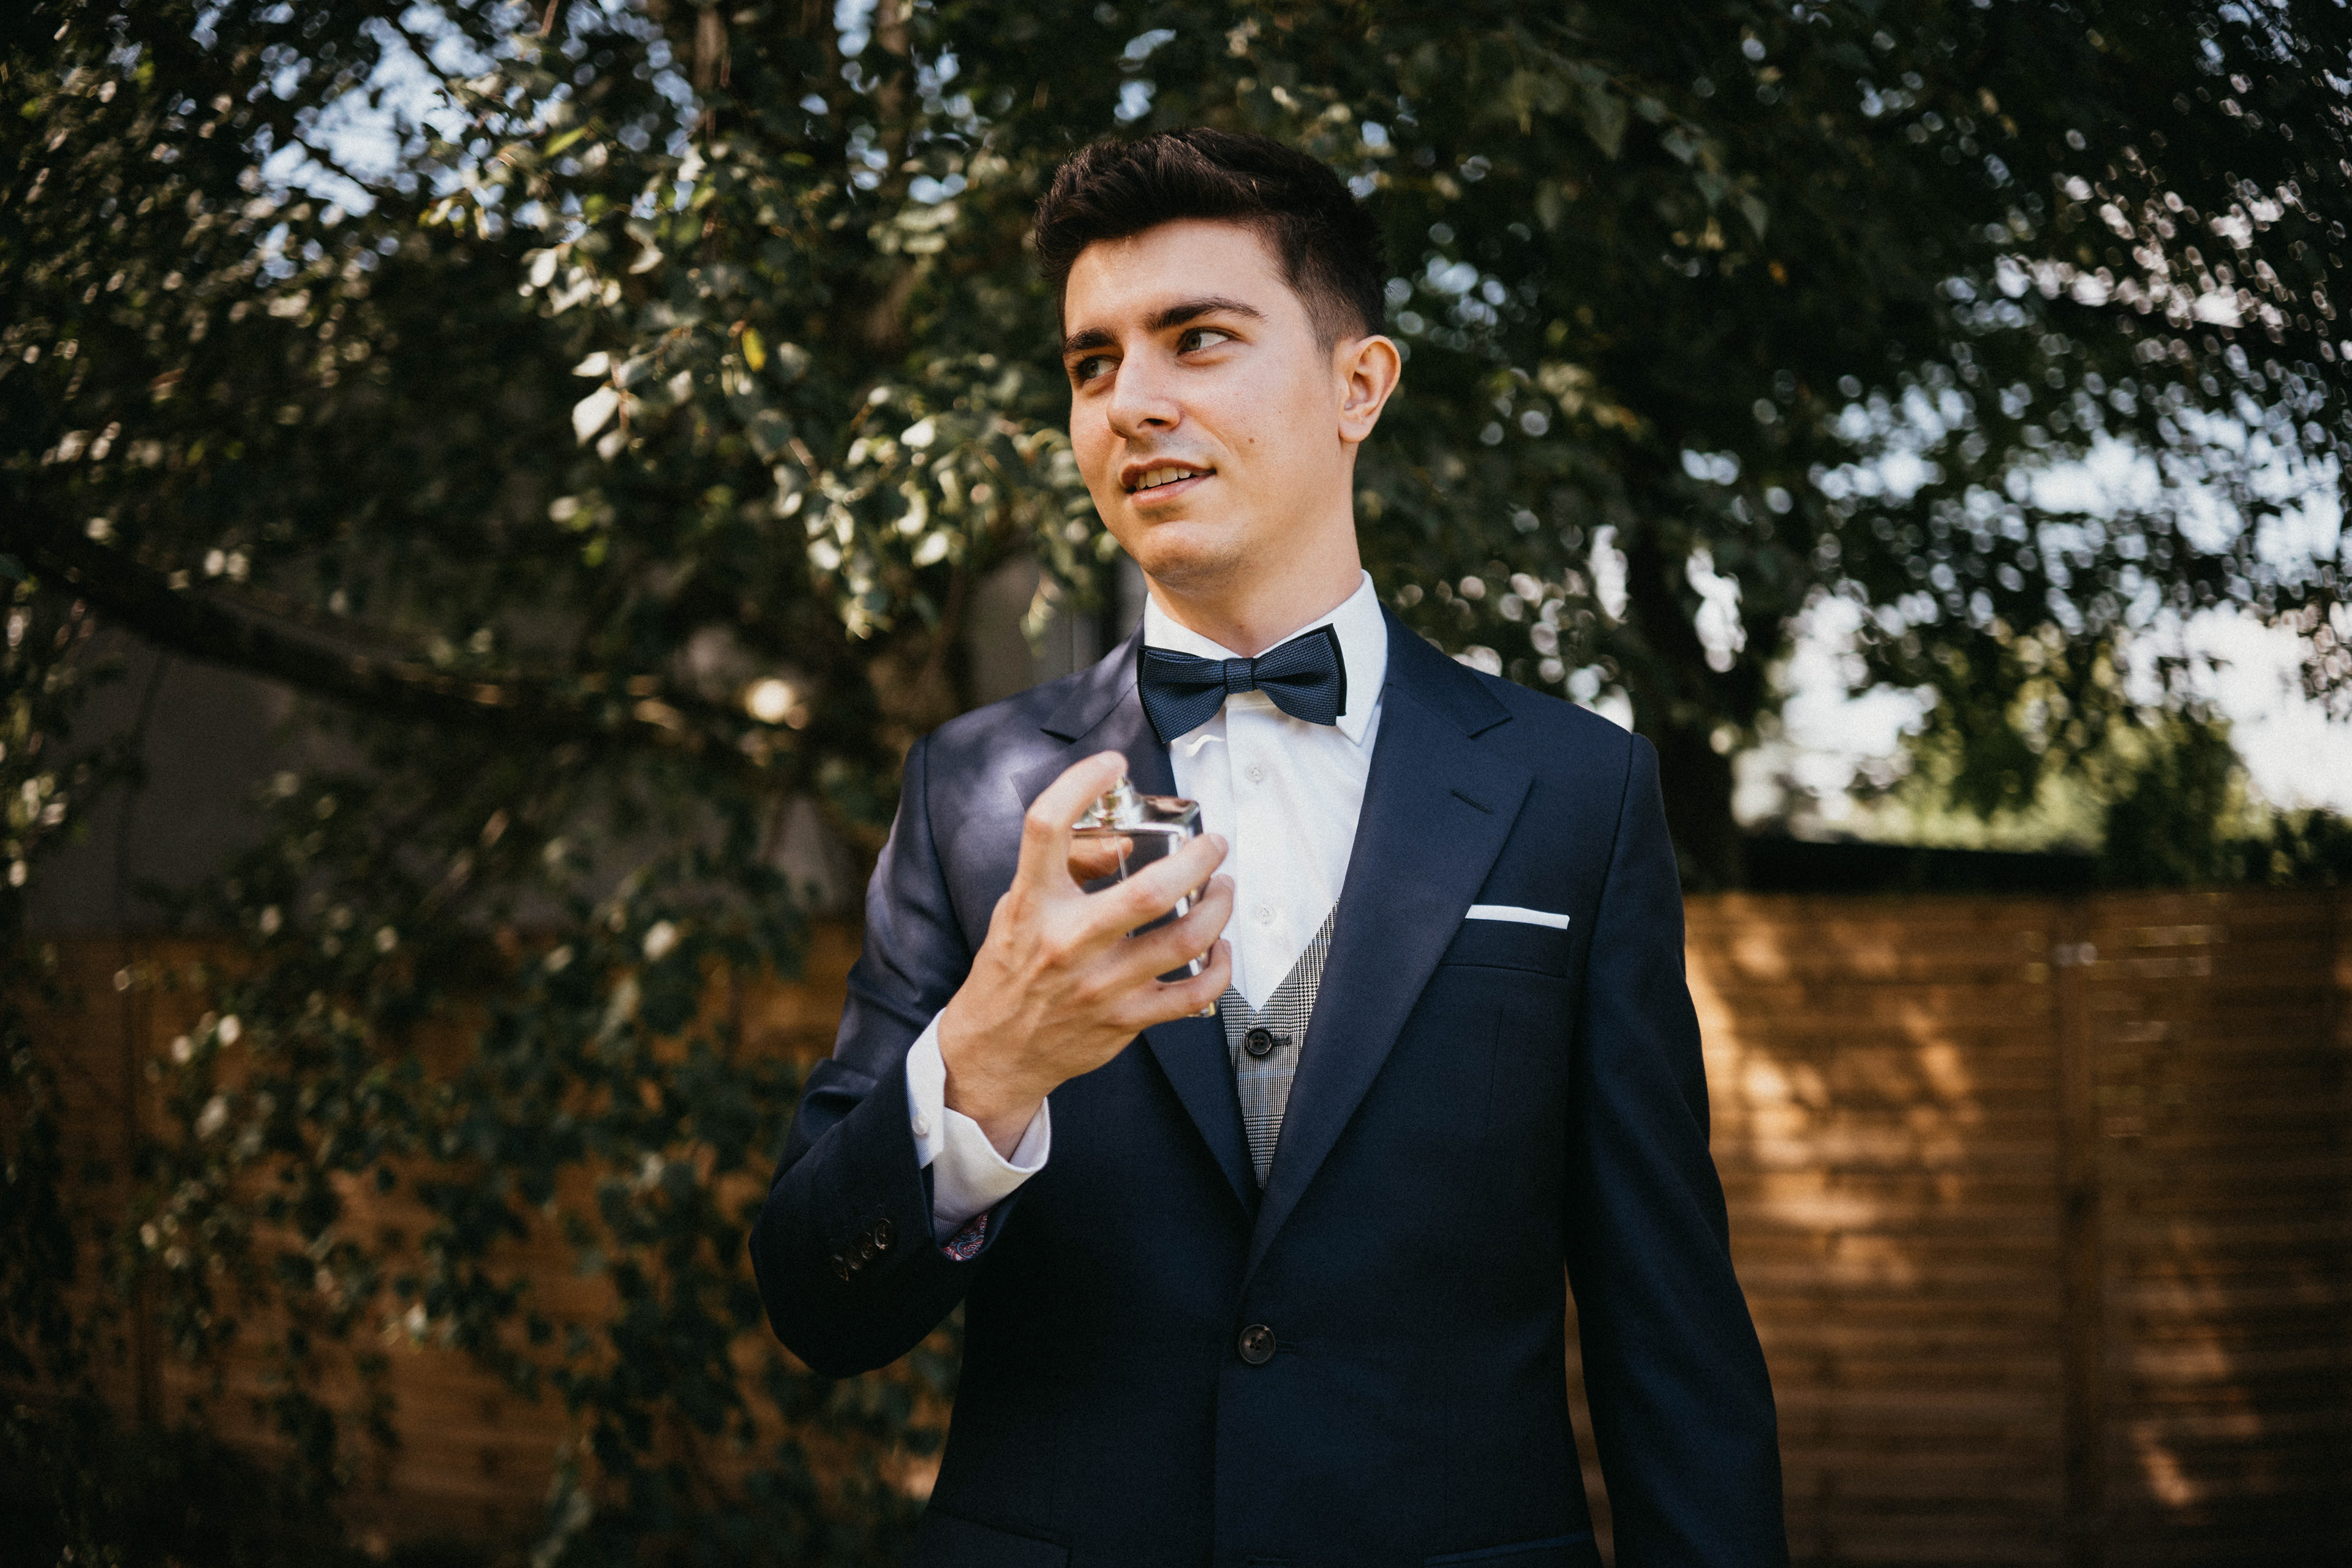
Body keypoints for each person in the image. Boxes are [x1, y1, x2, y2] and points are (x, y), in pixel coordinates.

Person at [752, 127, 1785, 1567]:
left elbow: (1669, 1329)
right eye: (1093, 362)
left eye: (1198, 339)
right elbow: (817, 1298)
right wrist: (987, 1057)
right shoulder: (974, 794)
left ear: (1361, 384)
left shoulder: (1575, 790)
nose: (1132, 401)